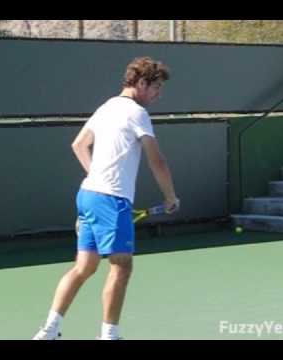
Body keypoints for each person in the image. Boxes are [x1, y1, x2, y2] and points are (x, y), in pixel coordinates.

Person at [32, 57, 180, 340]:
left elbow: (79, 145)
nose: (159, 94)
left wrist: (97, 176)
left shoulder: (106, 107)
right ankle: (109, 336)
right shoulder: (137, 113)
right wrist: (170, 196)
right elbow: (157, 161)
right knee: (122, 265)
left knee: (84, 266)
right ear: (140, 83)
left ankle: (49, 331)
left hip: (88, 194)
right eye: (156, 87)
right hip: (111, 199)